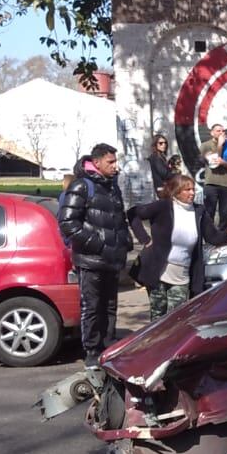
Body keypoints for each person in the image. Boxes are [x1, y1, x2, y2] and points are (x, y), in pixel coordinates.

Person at [58, 143, 132, 366]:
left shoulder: (112, 187)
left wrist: (125, 241)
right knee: (92, 307)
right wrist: (97, 244)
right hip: (91, 260)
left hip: (112, 259)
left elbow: (119, 219)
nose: (115, 166)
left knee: (109, 305)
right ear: (97, 162)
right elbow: (68, 223)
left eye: (115, 161)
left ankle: (109, 345)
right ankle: (92, 350)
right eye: (111, 162)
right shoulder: (82, 186)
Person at [128, 175, 227, 320]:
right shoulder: (163, 206)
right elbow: (133, 213)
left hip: (181, 275)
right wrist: (144, 238)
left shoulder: (199, 211)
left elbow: (213, 237)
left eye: (193, 189)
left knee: (176, 319)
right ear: (176, 191)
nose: (192, 193)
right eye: (187, 189)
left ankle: (172, 343)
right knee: (157, 319)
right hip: (158, 272)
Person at [200, 123, 227, 231]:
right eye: (218, 131)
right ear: (212, 133)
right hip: (212, 184)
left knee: (225, 214)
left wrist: (224, 163)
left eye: (223, 131)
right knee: (209, 212)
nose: (221, 133)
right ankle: (209, 237)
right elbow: (214, 163)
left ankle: (222, 237)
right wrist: (220, 145)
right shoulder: (205, 145)